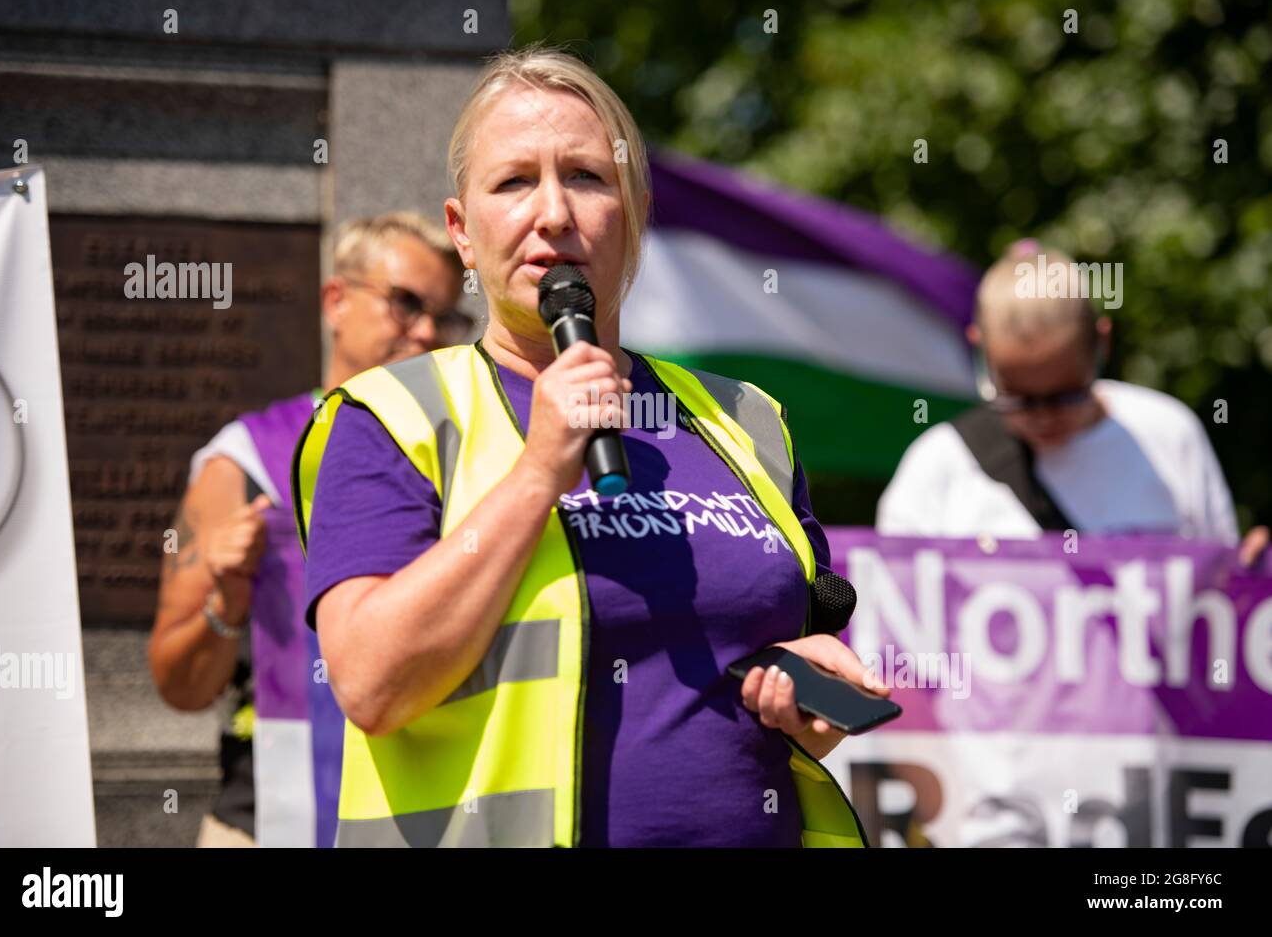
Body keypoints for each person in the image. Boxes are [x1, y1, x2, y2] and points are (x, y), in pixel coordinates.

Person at [293, 46, 887, 848]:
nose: (553, 214)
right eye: (513, 182)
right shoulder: (390, 417)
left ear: (635, 210)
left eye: (585, 176)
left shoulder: (747, 419)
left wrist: (807, 693)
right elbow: (371, 682)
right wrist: (539, 469)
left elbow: (772, 667)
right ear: (462, 233)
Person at [149, 212, 469, 847]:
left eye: (448, 316)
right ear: (335, 301)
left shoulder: (475, 456)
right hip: (268, 823)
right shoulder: (242, 461)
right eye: (405, 304)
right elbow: (178, 685)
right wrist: (225, 601)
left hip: (438, 814)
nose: (428, 331)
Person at [878, 239, 1267, 564]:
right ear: (980, 353)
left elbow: (1216, 590)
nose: (1044, 417)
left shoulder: (1168, 433)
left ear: (1102, 343)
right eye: (1019, 398)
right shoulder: (938, 466)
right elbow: (896, 613)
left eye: (1065, 395)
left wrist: (1248, 577)